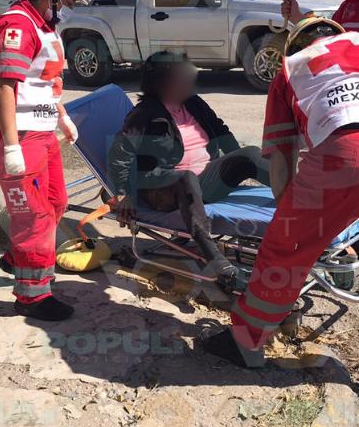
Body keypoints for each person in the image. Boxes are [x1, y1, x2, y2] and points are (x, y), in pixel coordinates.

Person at [200, 17, 359, 420]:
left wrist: (292, 224)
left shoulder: (291, 69)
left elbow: (282, 158)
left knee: (282, 256)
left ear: (295, 45)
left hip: (343, 156)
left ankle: (245, 343)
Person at [0, 0, 96, 322]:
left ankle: (17, 257)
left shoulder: (43, 25)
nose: (70, 7)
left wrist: (61, 116)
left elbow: (40, 83)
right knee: (34, 215)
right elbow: (5, 88)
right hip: (15, 132)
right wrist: (10, 146)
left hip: (41, 129)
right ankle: (32, 296)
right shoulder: (17, 25)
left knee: (57, 201)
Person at [108, 52, 270, 290]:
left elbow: (220, 130)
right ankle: (215, 259)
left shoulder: (192, 102)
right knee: (186, 177)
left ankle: (296, 200)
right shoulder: (144, 114)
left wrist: (239, 161)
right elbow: (119, 153)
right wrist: (124, 194)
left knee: (252, 153)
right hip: (164, 189)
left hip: (205, 180)